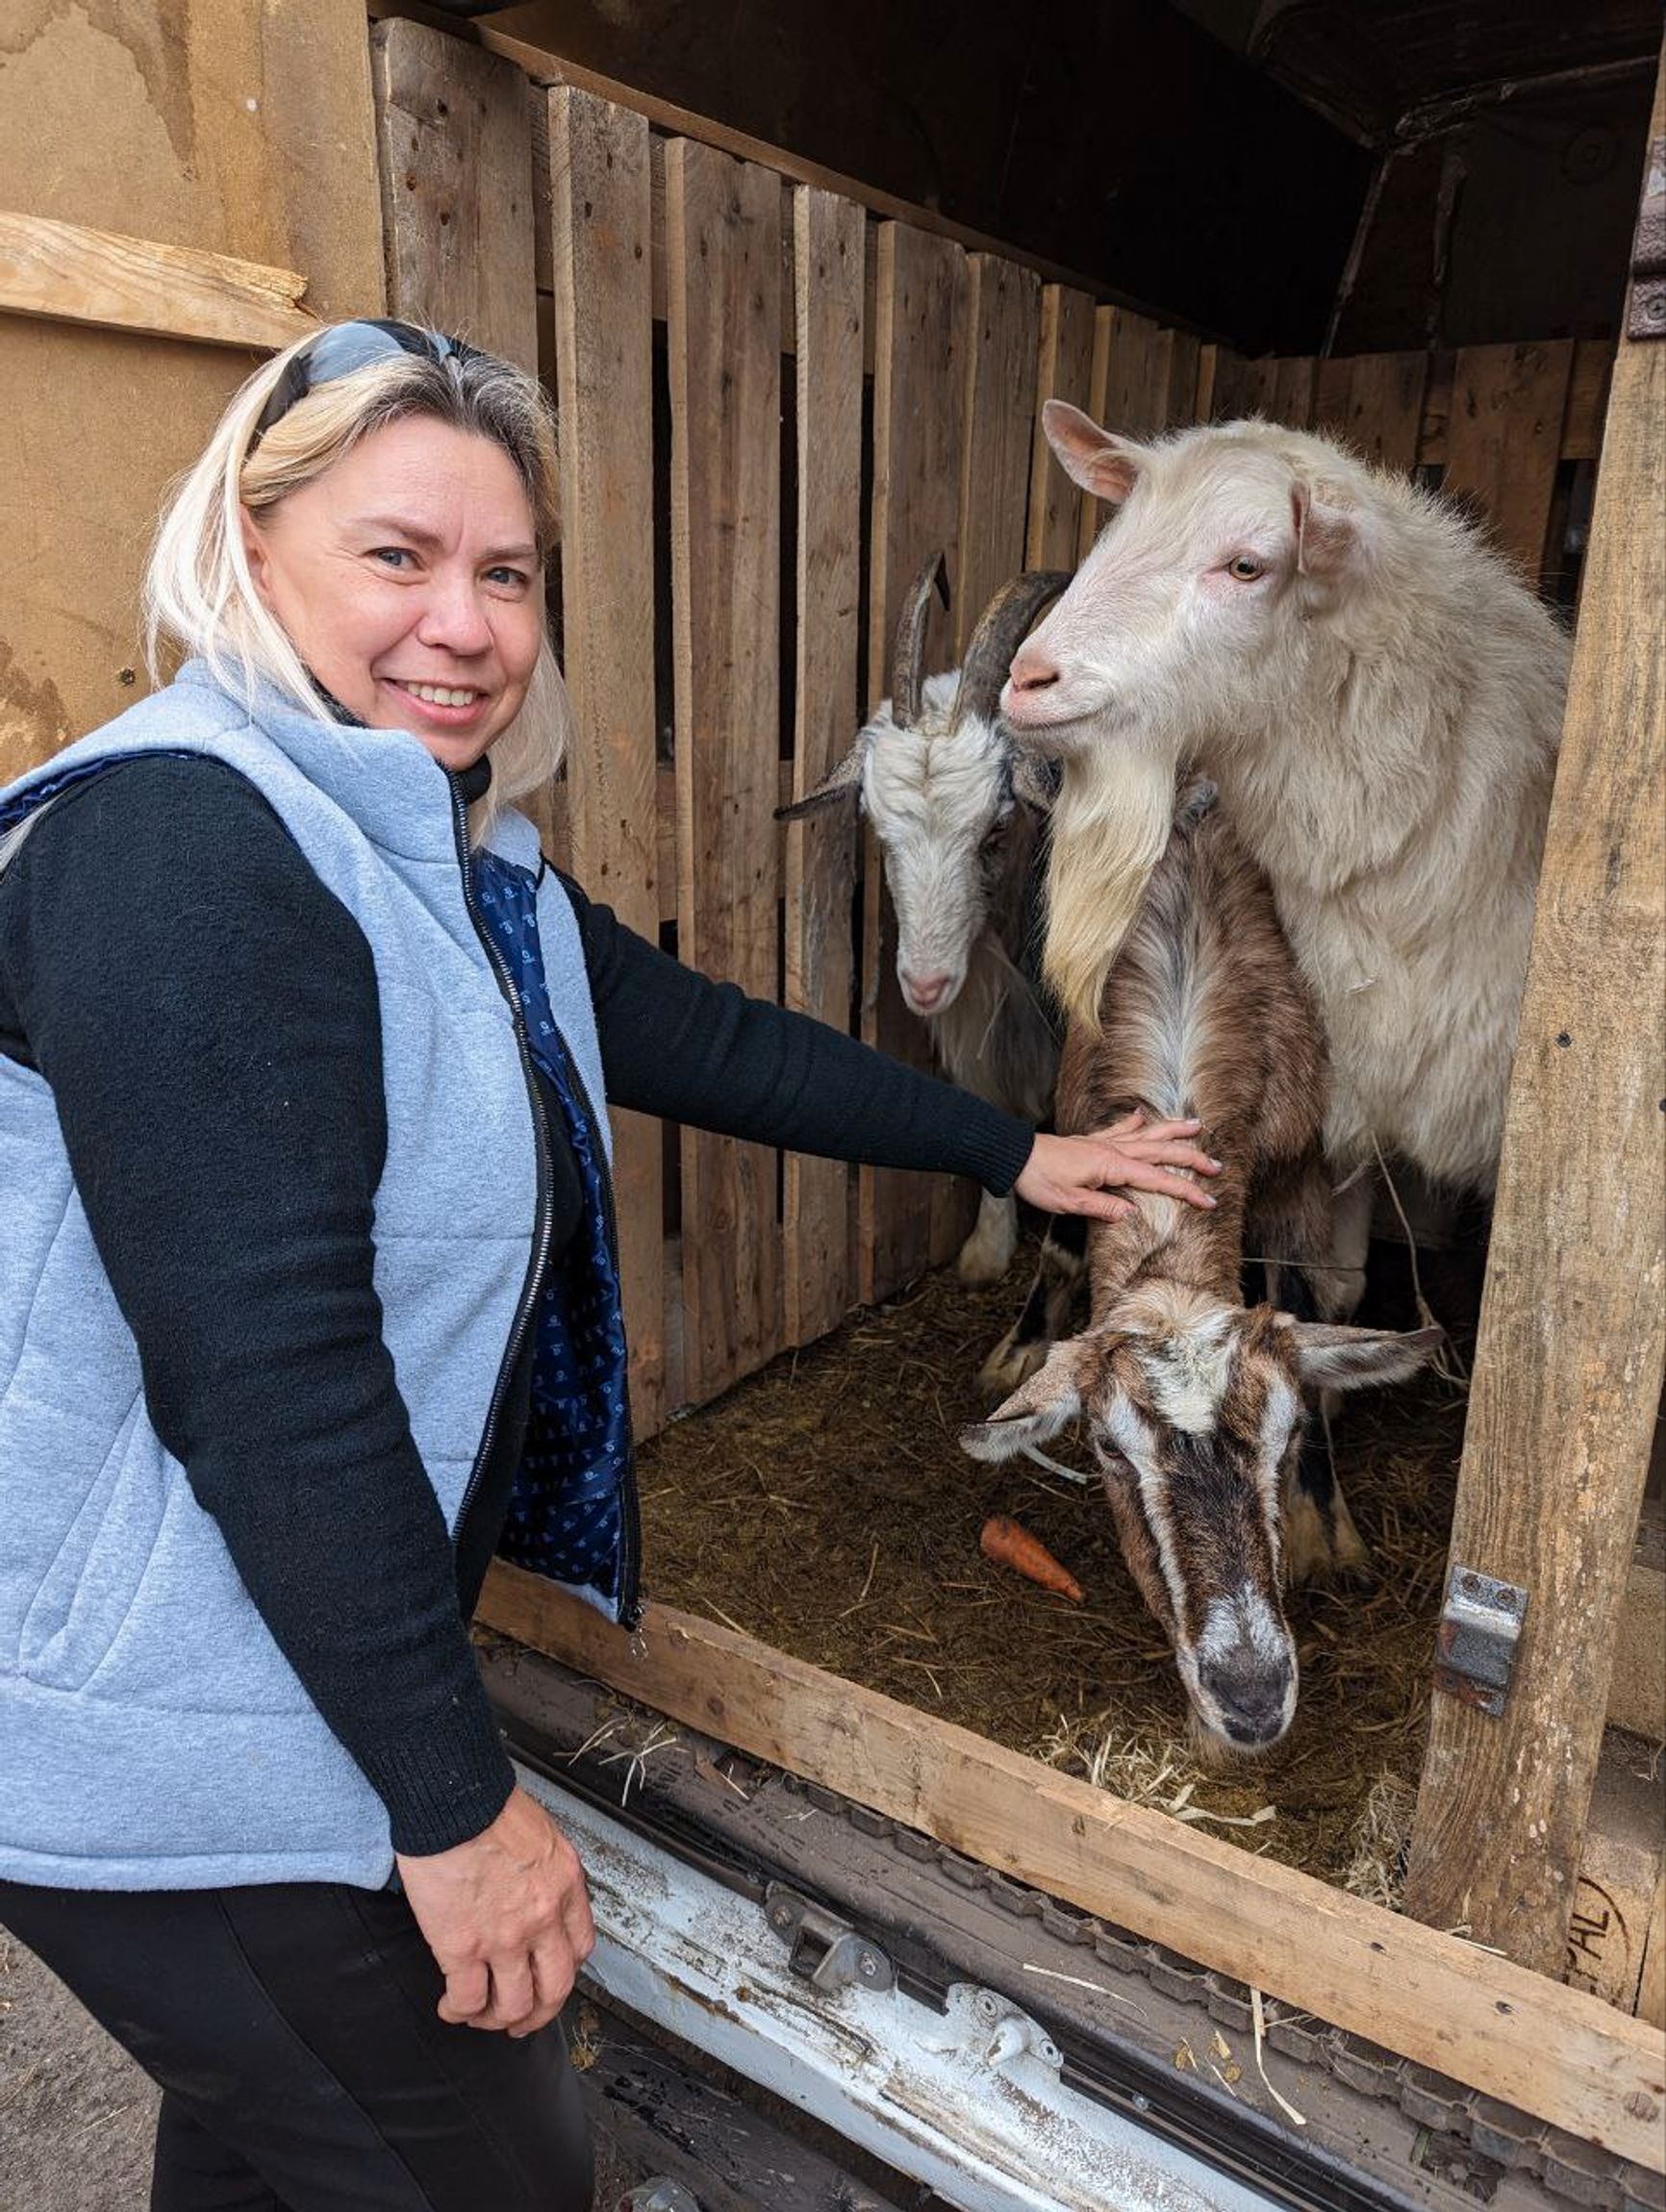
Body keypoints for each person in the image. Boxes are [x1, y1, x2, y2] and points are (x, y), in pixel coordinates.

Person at [0, 320, 1221, 2212]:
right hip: (158, 1717)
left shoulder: (442, 860)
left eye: (504, 572)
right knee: (483, 2166)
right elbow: (268, 1380)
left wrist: (1018, 1148)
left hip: (247, 1660)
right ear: (250, 556)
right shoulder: (184, 845)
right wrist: (458, 1806)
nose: (466, 623)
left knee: (260, 2138)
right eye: (395, 557)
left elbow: (693, 1034)